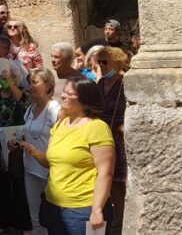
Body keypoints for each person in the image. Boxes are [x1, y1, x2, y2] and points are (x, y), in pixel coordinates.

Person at [21, 78, 115, 235]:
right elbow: (50, 162)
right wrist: (34, 151)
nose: (63, 96)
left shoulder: (97, 128)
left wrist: (97, 209)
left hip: (83, 210)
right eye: (63, 92)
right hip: (54, 206)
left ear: (85, 100)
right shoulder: (60, 125)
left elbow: (105, 173)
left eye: (70, 94)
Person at [0, 42, 32, 234]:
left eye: (9, 75)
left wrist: (9, 82)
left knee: (19, 185)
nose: (4, 78)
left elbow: (23, 103)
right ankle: (3, 222)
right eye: (3, 75)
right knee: (1, 185)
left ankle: (22, 223)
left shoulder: (22, 95)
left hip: (16, 145)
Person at [15, 69, 61, 235]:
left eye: (35, 82)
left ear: (48, 85)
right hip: (30, 167)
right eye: (29, 82)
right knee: (34, 212)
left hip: (49, 169)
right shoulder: (30, 108)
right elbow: (26, 133)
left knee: (51, 214)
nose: (30, 86)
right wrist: (16, 141)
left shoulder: (55, 109)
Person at [93, 47, 128, 235]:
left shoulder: (125, 82)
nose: (101, 65)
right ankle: (114, 218)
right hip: (101, 134)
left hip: (118, 136)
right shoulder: (100, 83)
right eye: (99, 62)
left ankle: (121, 220)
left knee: (119, 181)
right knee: (107, 178)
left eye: (105, 62)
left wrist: (125, 125)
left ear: (116, 62)